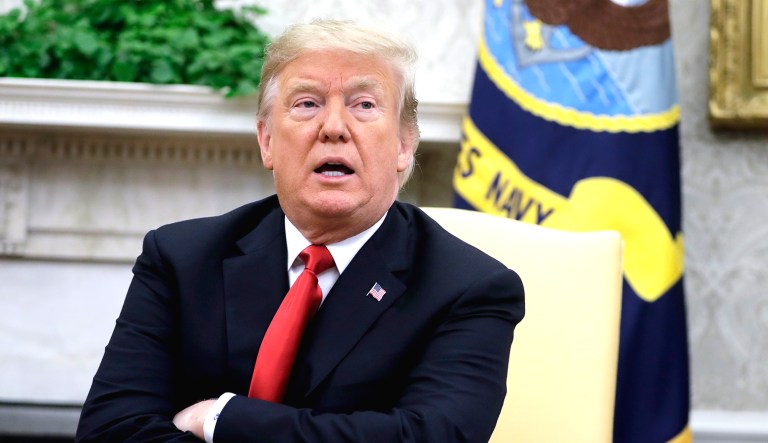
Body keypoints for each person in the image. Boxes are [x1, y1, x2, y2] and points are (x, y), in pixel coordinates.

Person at [76, 19, 524, 443]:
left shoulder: (470, 288)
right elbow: (109, 428)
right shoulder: (181, 257)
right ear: (267, 140)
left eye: (364, 105)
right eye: (307, 103)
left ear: (405, 144)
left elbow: (428, 437)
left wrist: (219, 418)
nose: (333, 128)